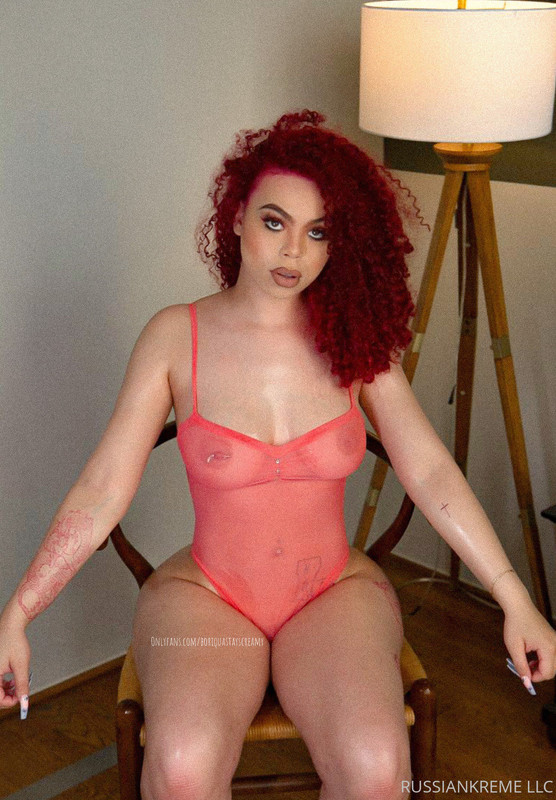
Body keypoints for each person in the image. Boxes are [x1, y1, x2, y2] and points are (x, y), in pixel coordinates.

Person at [1, 110, 554, 800]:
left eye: (317, 232)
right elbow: (103, 488)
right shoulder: (175, 336)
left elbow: (430, 470)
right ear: (236, 217)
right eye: (274, 222)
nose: (293, 251)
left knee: (376, 765)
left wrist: (513, 598)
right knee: (181, 765)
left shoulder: (356, 341)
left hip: (332, 594)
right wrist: (18, 613)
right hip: (208, 596)